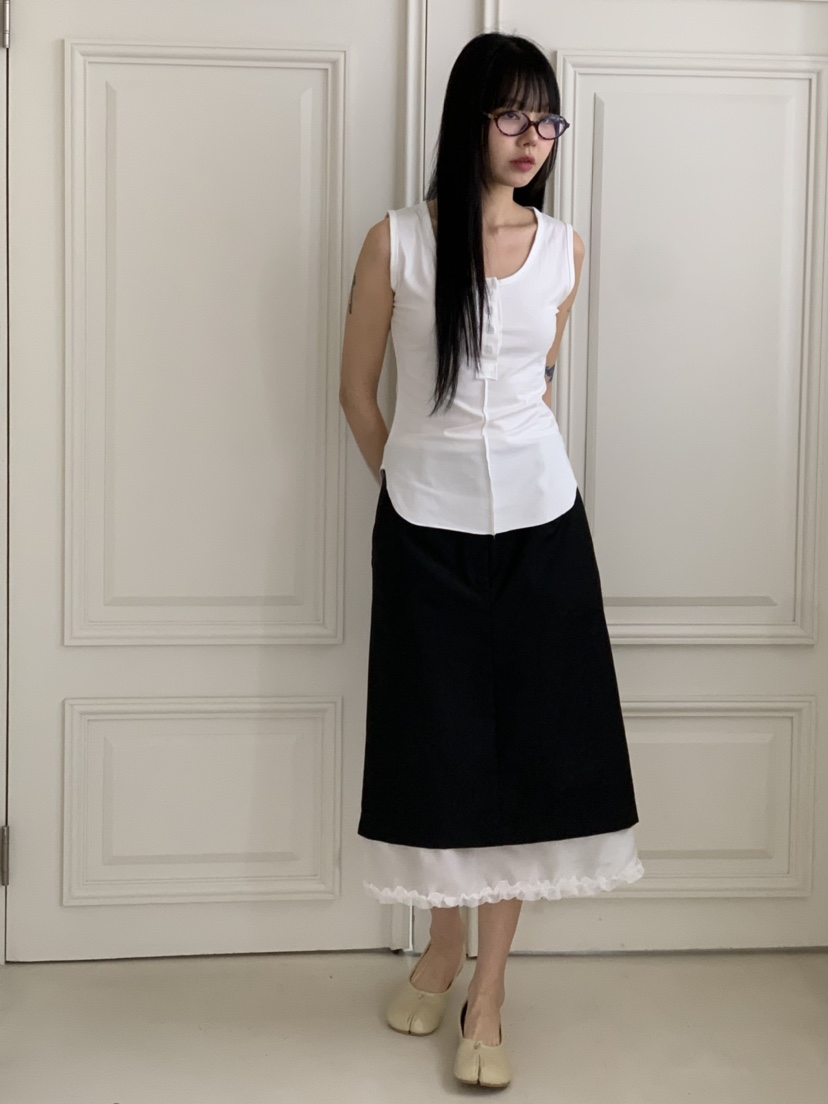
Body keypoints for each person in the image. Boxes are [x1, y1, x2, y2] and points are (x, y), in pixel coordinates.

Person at [339, 31, 644, 1088]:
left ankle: (490, 989)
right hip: (425, 533)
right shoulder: (397, 243)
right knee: (439, 749)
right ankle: (439, 945)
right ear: (470, 120)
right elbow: (358, 395)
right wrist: (408, 487)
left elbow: (536, 382)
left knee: (529, 757)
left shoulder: (565, 250)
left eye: (545, 119)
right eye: (511, 115)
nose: (531, 137)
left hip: (544, 528)